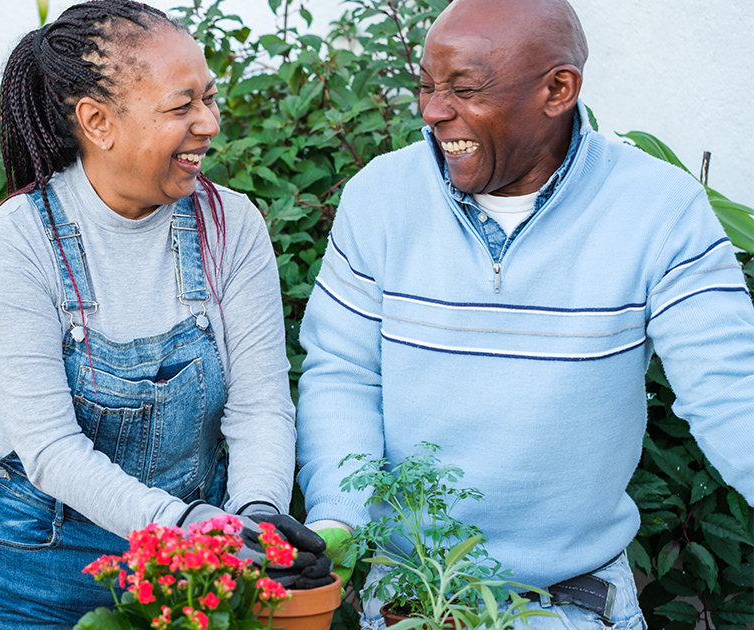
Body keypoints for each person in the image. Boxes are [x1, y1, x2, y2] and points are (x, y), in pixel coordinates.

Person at [295, 0, 754, 628]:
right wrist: (338, 515)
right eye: (427, 86)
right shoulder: (381, 195)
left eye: (464, 89)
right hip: (412, 594)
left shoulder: (660, 210)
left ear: (558, 89)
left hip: (577, 601)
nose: (433, 110)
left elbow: (732, 391)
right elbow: (343, 372)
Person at [0, 2, 326, 628]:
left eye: (209, 98)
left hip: (195, 557)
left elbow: (259, 404)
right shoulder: (20, 240)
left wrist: (255, 518)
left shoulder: (231, 225)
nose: (208, 123)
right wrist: (188, 527)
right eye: (181, 107)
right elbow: (50, 450)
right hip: (33, 557)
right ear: (98, 121)